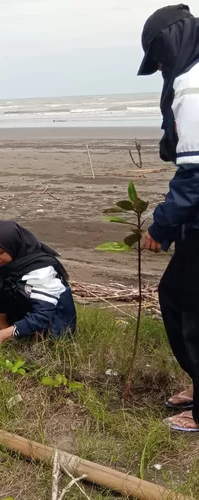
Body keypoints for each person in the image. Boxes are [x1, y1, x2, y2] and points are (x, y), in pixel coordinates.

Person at [137, 4, 199, 431]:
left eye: (159, 58)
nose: (160, 68)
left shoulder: (192, 87)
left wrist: (160, 226)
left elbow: (195, 175)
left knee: (186, 304)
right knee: (178, 296)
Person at [0, 221, 76, 357]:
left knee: (52, 342)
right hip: (21, 306)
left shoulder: (41, 269)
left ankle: (16, 335)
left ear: (13, 247)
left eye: (0, 252)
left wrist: (0, 336)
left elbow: (42, 315)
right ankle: (6, 330)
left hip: (53, 320)